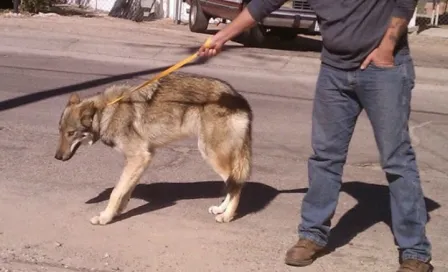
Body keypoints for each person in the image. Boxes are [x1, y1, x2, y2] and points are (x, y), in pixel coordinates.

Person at [197, 0, 434, 271]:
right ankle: (312, 235)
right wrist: (222, 36)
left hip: (383, 68)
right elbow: (264, 4)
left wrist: (387, 47)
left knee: (396, 159)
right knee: (325, 156)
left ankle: (414, 250)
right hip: (334, 70)